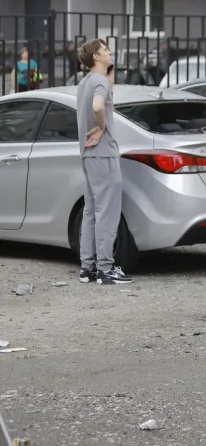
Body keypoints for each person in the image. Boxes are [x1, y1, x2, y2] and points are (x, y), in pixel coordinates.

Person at [75, 39, 132, 285]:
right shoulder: (98, 82)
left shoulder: (85, 82)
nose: (110, 53)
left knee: (91, 211)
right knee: (107, 212)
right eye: (106, 50)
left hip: (88, 156)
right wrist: (100, 127)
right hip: (104, 153)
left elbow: (105, 96)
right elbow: (99, 106)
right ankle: (106, 269)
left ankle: (87, 268)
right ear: (96, 56)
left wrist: (110, 73)